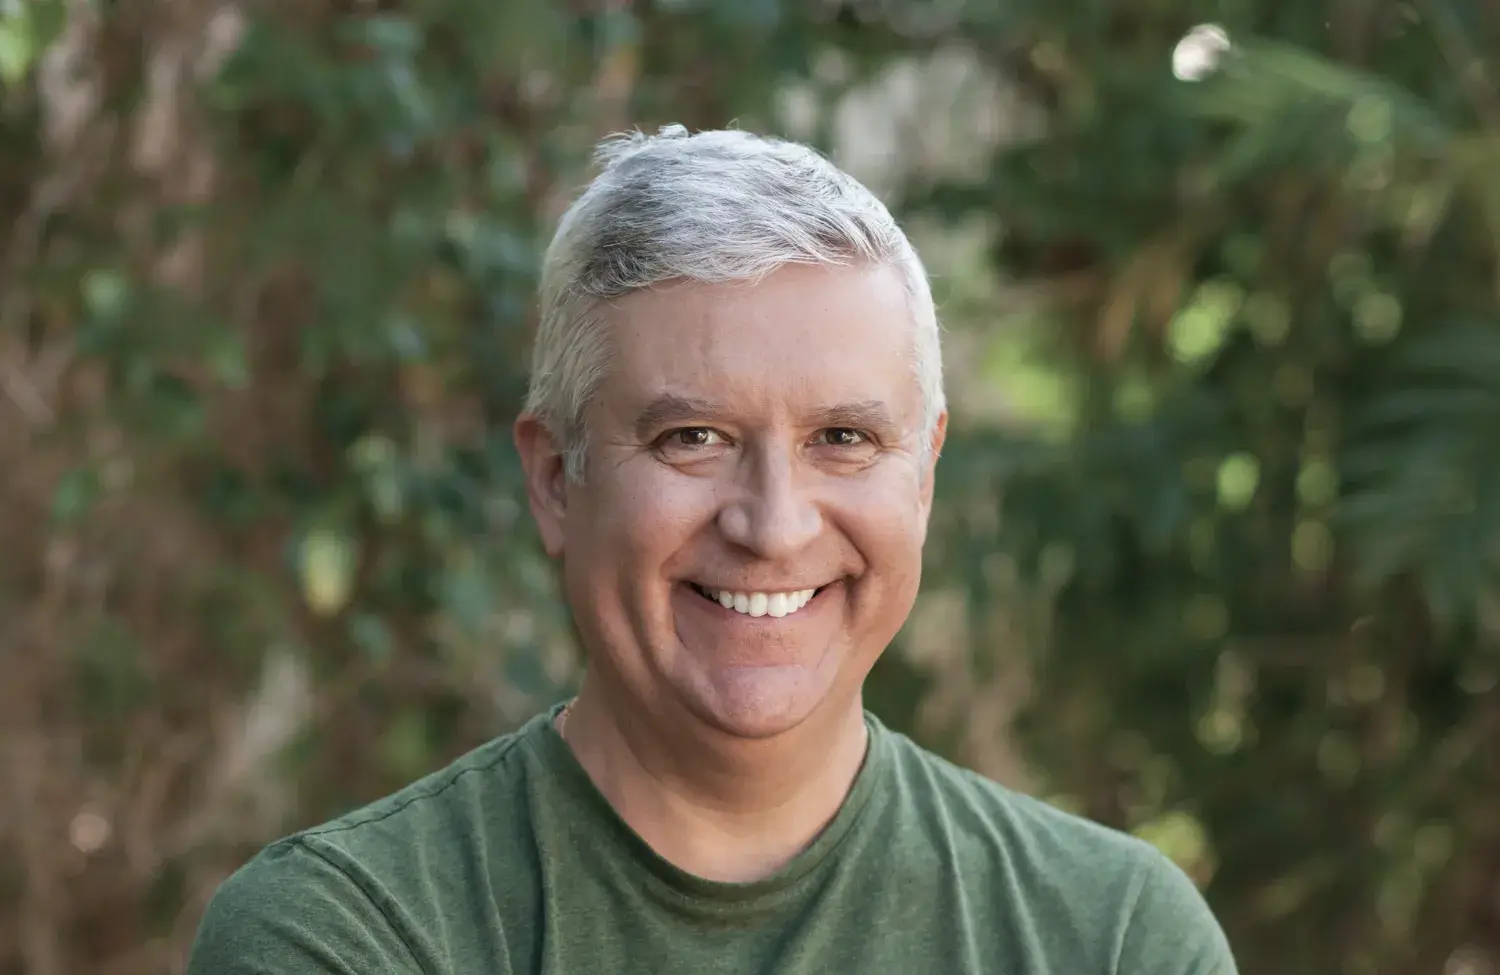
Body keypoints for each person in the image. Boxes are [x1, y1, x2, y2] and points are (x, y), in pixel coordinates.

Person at [186, 126, 1237, 974]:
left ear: (923, 473)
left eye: (844, 440)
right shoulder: (353, 936)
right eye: (694, 439)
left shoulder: (1109, 936)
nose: (774, 525)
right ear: (556, 479)